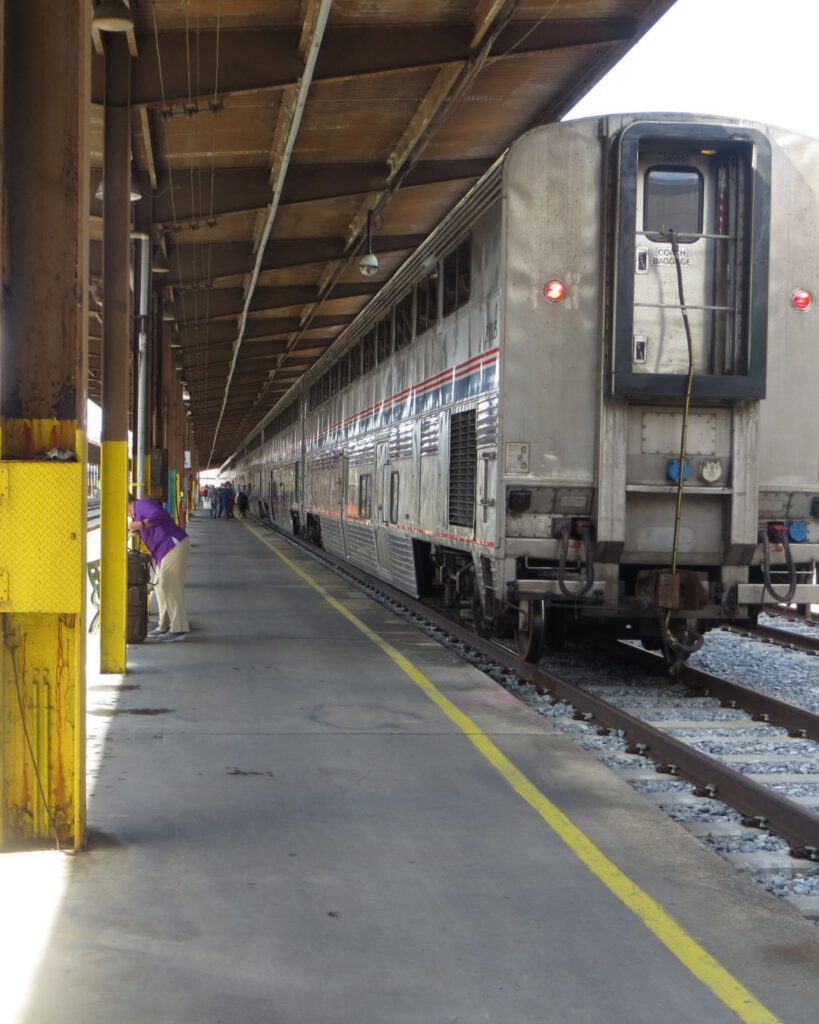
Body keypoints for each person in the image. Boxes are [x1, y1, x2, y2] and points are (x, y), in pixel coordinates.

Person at [127, 494, 190, 642]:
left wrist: (141, 524)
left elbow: (160, 515)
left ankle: (179, 629)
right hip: (163, 550)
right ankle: (164, 625)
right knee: (159, 587)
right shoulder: (136, 513)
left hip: (173, 544)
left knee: (169, 585)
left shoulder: (141, 505)